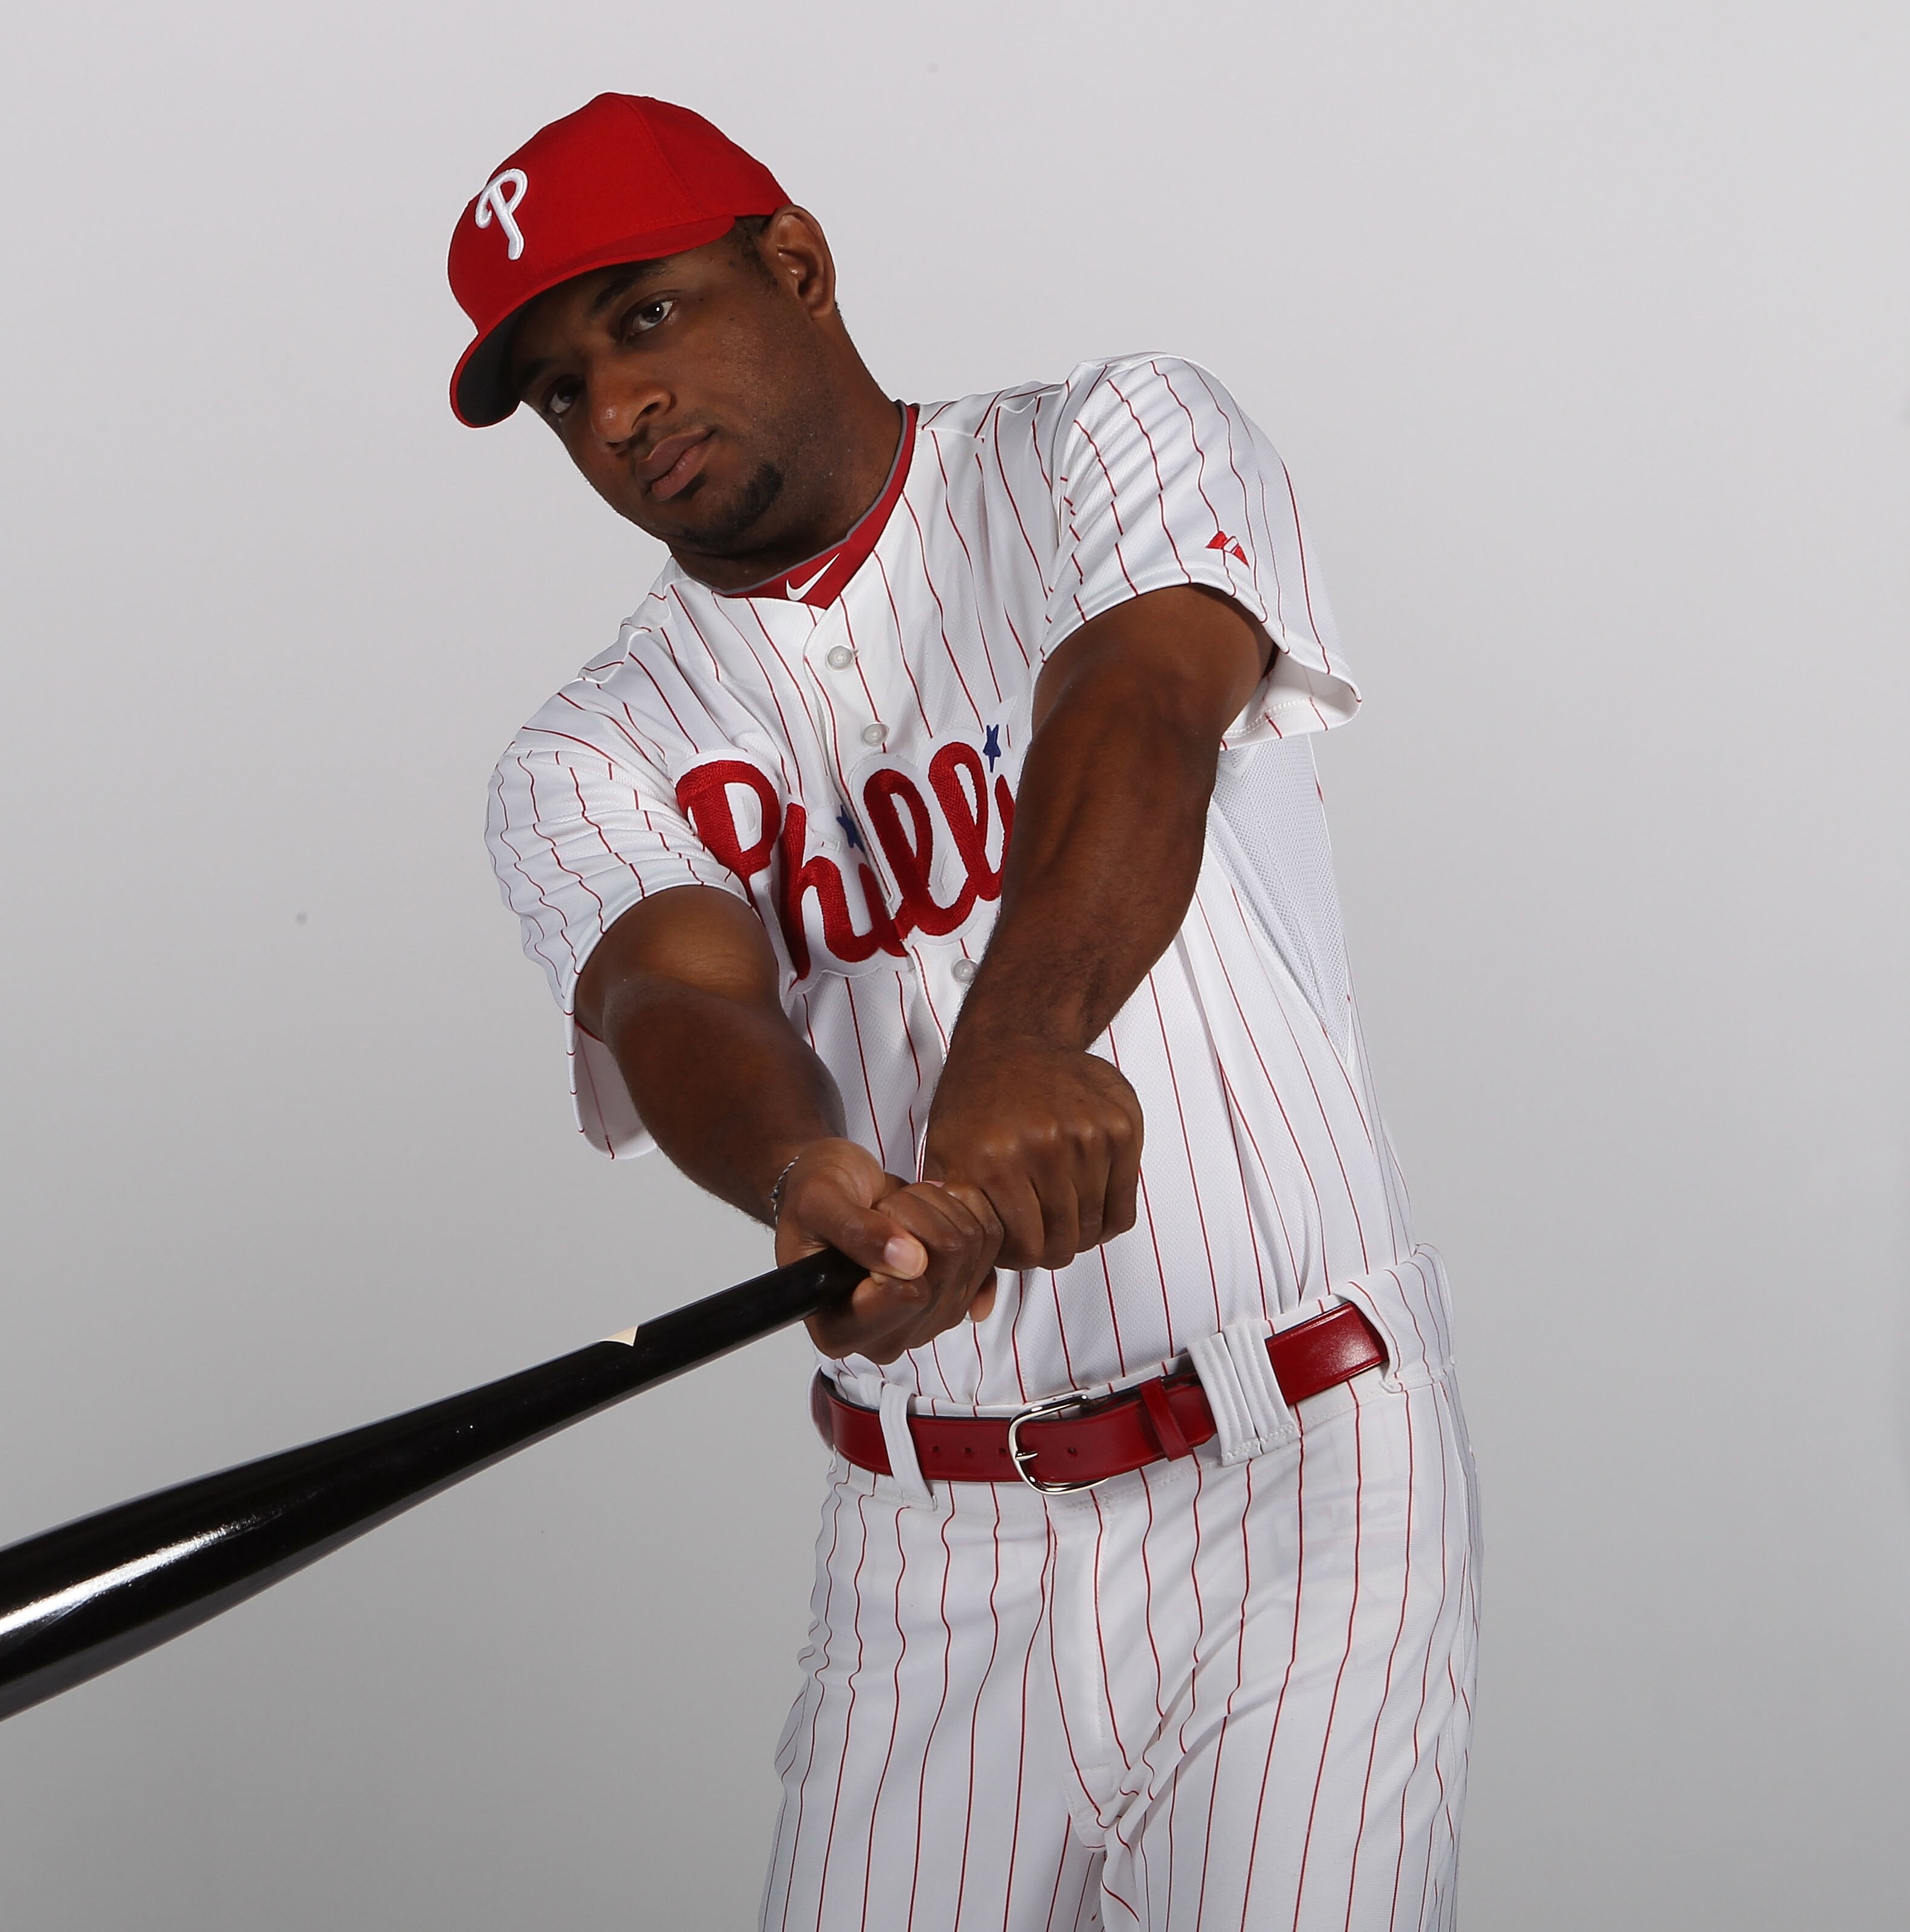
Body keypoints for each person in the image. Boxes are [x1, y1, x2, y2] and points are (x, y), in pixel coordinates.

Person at [455, 94, 1476, 1931]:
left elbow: (1141, 698)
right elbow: (676, 990)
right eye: (553, 387)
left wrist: (1022, 1039)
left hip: (1299, 1471)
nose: (613, 408)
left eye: (644, 315)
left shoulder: (1110, 439)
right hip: (928, 1544)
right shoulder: (583, 751)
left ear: (795, 264)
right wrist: (799, 1171)